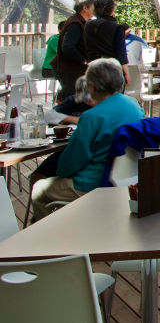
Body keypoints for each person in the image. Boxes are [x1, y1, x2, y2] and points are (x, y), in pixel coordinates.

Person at [30, 58, 143, 221]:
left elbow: (70, 164)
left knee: (39, 189)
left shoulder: (92, 116)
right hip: (128, 178)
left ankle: (47, 242)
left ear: (92, 86)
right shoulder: (134, 106)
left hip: (92, 183)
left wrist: (59, 170)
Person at [52, 0, 95, 101]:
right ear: (85, 8)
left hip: (73, 69)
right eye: (93, 6)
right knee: (71, 99)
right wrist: (83, 60)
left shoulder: (80, 21)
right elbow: (67, 47)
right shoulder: (75, 23)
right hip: (70, 69)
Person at [84, 0, 131, 86]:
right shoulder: (117, 28)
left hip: (93, 67)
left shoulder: (88, 25)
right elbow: (121, 53)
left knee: (96, 97)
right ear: (112, 9)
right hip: (111, 69)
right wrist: (127, 73)